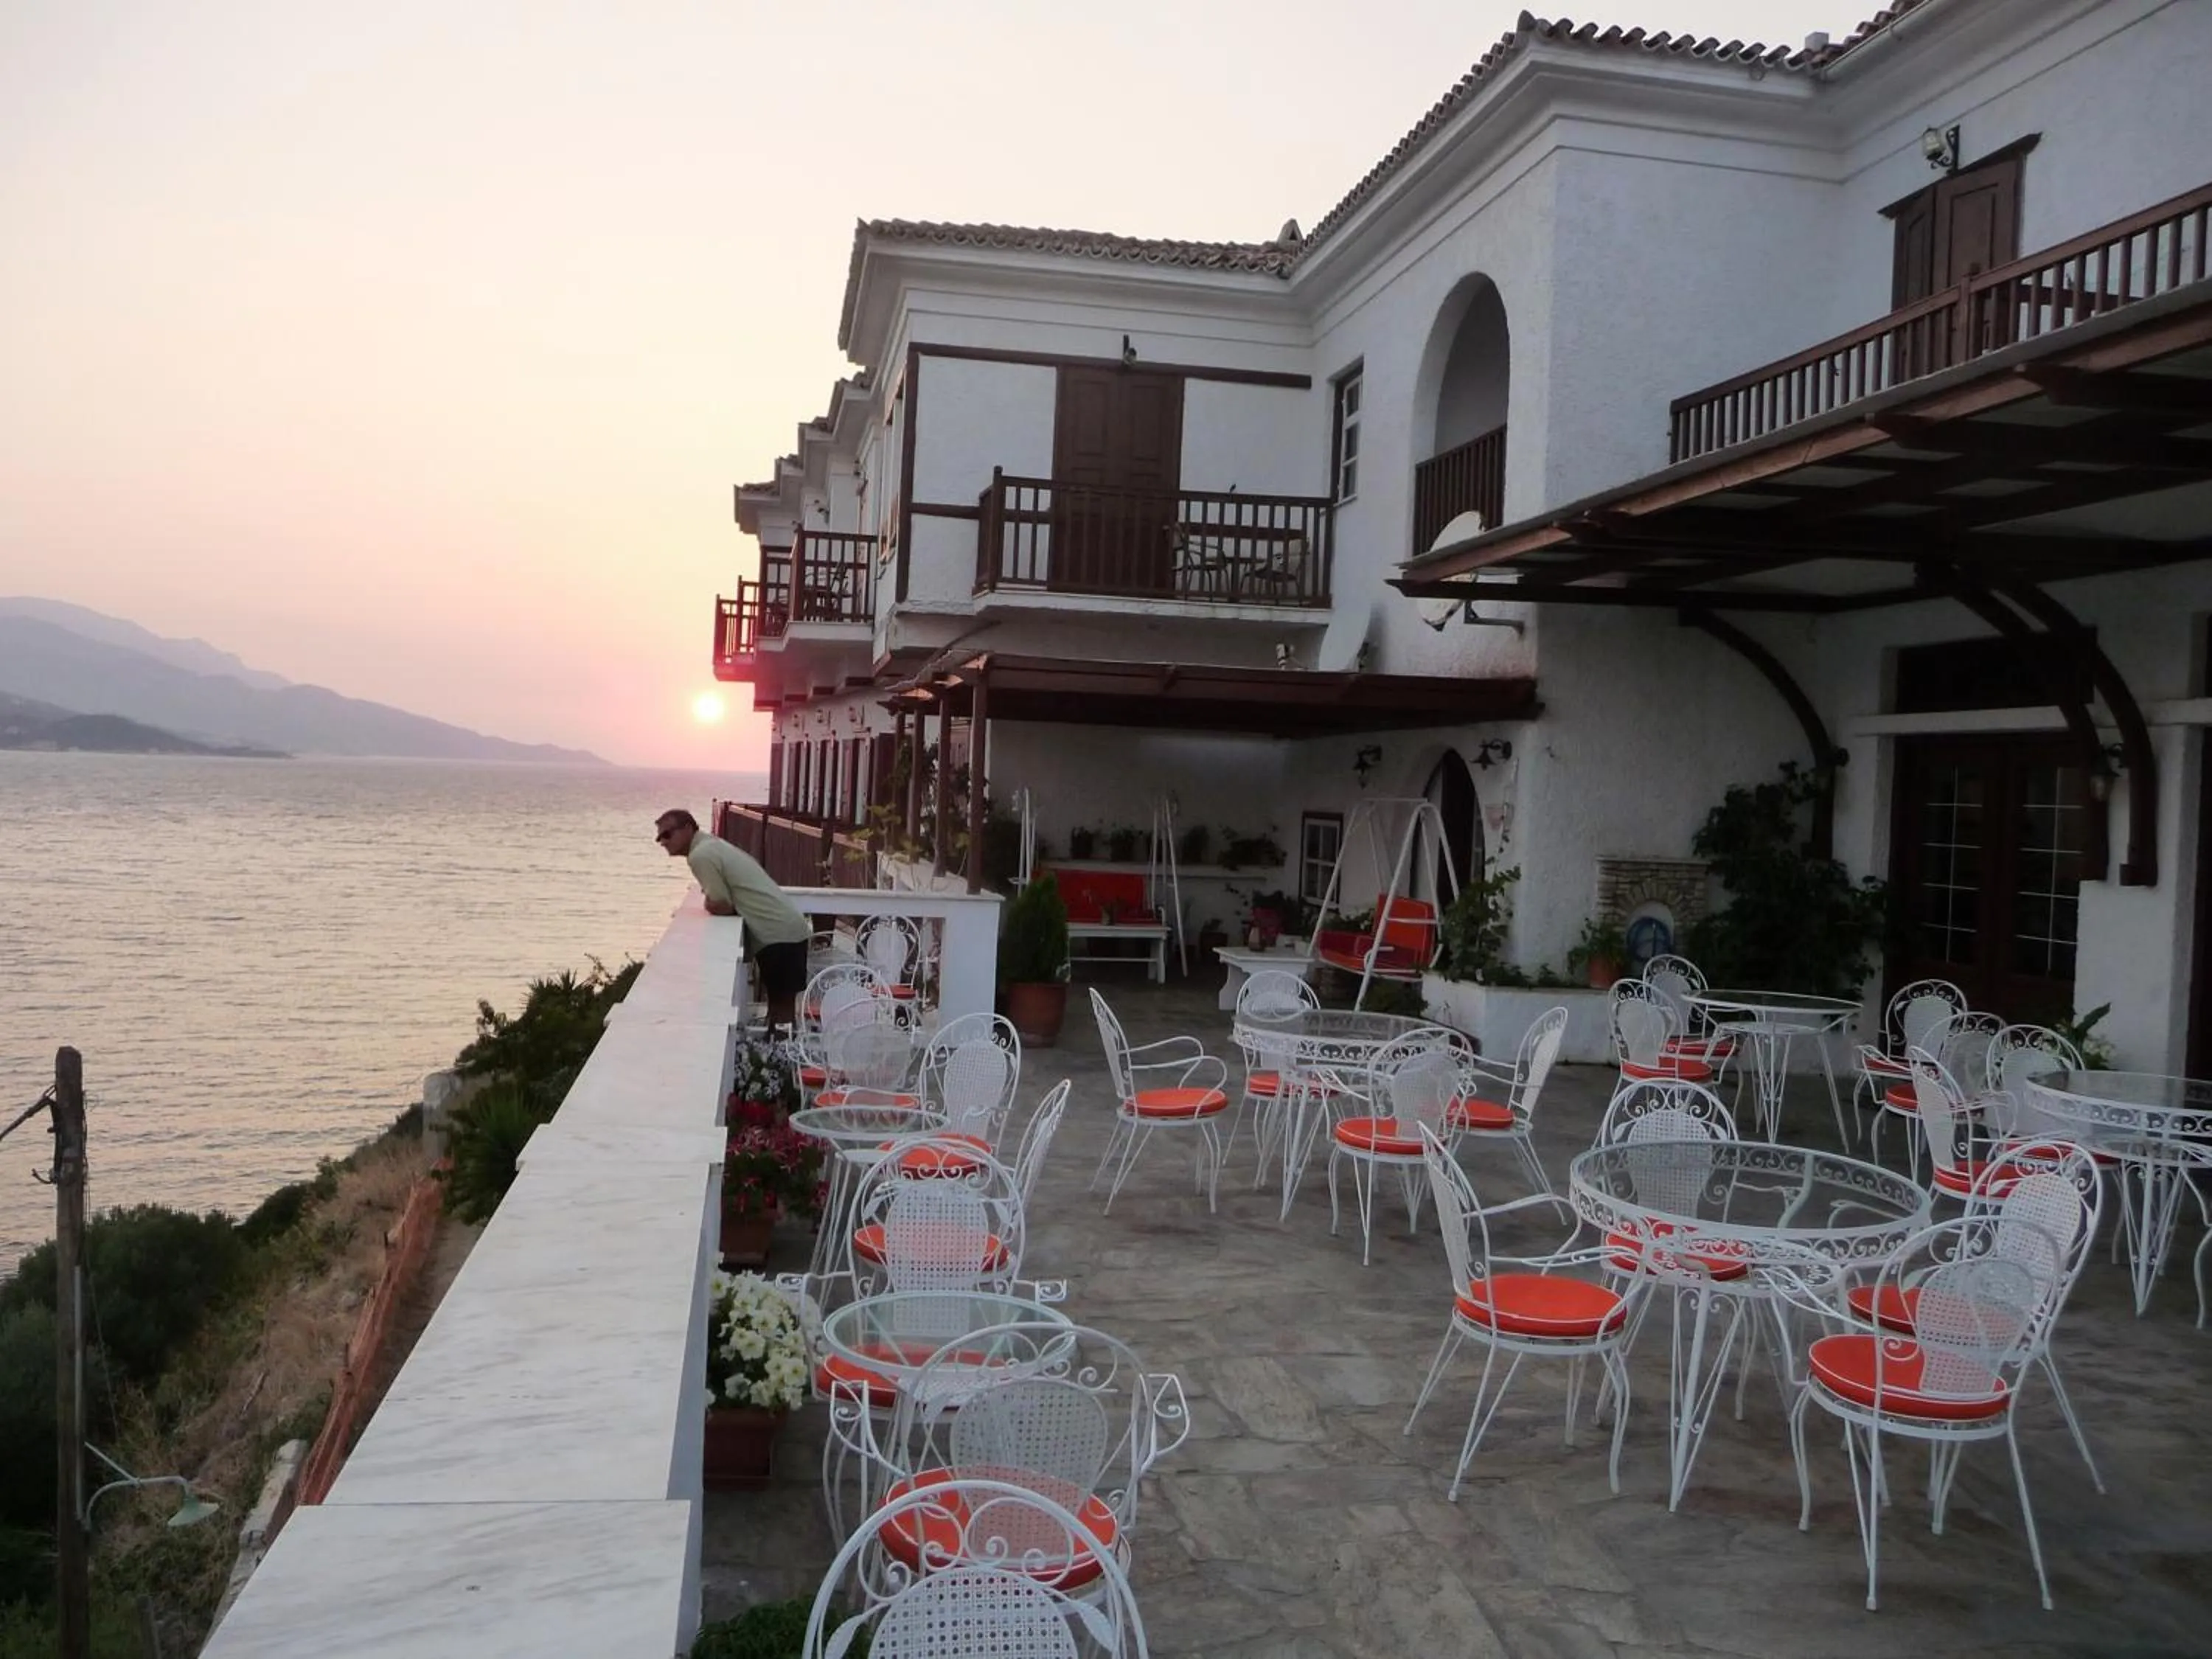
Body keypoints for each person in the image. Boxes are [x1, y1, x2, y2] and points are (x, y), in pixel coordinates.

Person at [655, 808, 812, 1032]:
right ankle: (780, 1056)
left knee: (782, 1012)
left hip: (778, 934)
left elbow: (720, 902)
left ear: (688, 829)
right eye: (659, 837)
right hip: (785, 929)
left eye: (667, 834)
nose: (662, 842)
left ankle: (783, 1058)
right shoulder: (711, 845)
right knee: (779, 1007)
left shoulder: (701, 855)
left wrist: (709, 903)